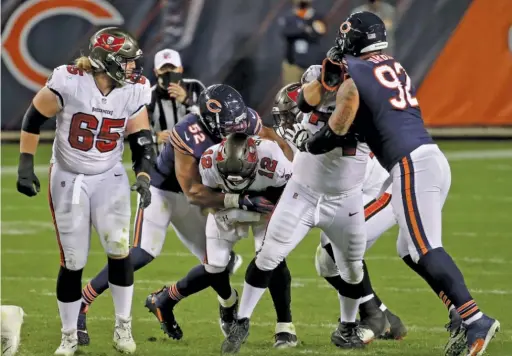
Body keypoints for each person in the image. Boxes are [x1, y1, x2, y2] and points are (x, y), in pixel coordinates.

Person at [297, 11, 500, 356]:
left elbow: (336, 117)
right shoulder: (389, 65)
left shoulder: (355, 72)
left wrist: (317, 140)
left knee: (423, 248)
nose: (342, 40)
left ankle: (475, 318)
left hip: (411, 164)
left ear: (358, 38)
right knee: (409, 250)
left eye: (347, 34)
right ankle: (457, 313)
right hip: (429, 158)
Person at [221, 41, 376, 356]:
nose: (331, 83)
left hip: (345, 198)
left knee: (352, 268)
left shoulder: (366, 102)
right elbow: (290, 111)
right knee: (268, 256)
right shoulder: (307, 95)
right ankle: (242, 321)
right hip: (302, 192)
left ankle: (347, 326)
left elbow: (353, 130)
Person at [15, 27, 154, 355]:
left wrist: (144, 174)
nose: (133, 68)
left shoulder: (133, 90)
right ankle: (69, 335)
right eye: (127, 61)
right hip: (68, 177)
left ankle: (123, 326)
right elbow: (33, 119)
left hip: (109, 176)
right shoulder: (70, 81)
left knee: (119, 250)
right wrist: (25, 165)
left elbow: (140, 136)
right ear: (108, 61)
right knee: (73, 260)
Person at [143, 84, 298, 346]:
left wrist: (275, 200)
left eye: (240, 124)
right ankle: (226, 303)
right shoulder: (201, 153)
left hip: (259, 192)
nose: (238, 130)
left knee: (272, 256)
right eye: (230, 125)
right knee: (215, 265)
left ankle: (285, 324)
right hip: (220, 202)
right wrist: (238, 199)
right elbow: (194, 192)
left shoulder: (267, 150)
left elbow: (287, 167)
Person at [273, 80, 406, 341]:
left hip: (385, 189)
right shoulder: (311, 138)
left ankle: (373, 318)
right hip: (359, 193)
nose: (286, 125)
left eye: (291, 117)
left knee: (337, 248)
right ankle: (382, 314)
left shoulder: (327, 135)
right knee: (326, 264)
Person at [148, 48, 205, 154]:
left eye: (172, 68)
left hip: (195, 158)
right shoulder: (148, 96)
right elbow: (137, 134)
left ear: (180, 69)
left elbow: (211, 122)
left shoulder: (195, 87)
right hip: (163, 162)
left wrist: (187, 100)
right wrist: (155, 138)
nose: (168, 72)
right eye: (164, 69)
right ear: (156, 72)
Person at [279, 0, 327, 85]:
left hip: (312, 64)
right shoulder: (289, 17)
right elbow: (286, 32)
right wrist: (305, 29)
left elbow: (320, 31)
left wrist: (307, 21)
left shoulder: (316, 16)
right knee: (291, 92)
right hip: (293, 63)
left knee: (312, 93)